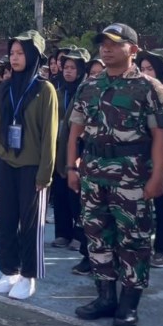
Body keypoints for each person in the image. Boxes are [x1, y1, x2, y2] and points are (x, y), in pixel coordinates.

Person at [68, 23, 163, 326]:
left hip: (133, 178)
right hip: (93, 174)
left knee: (134, 241)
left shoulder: (150, 88)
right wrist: (72, 168)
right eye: (103, 43)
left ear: (133, 50)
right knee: (97, 238)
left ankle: (128, 303)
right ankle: (105, 297)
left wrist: (158, 176)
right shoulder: (89, 87)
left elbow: (162, 136)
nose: (107, 48)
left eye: (115, 43)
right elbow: (74, 131)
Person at [0, 31, 58, 300]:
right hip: (5, 163)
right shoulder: (3, 89)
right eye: (12, 53)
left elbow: (50, 135)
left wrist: (45, 173)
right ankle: (9, 271)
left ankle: (28, 276)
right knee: (5, 220)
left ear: (33, 56)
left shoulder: (44, 89)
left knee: (30, 224)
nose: (15, 58)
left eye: (20, 53)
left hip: (31, 167)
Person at [53, 49, 93, 275]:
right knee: (59, 191)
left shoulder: (85, 92)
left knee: (77, 196)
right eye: (65, 67)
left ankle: (79, 236)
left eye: (72, 68)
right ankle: (63, 232)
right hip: (58, 147)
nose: (68, 72)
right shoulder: (57, 91)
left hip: (78, 147)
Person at [135, 49, 163, 269]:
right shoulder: (139, 94)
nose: (145, 73)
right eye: (143, 68)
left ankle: (161, 249)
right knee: (140, 205)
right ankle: (141, 247)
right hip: (141, 159)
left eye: (150, 68)